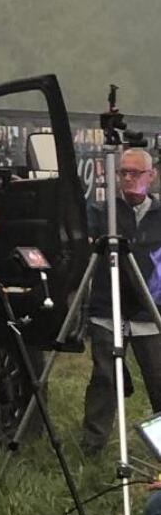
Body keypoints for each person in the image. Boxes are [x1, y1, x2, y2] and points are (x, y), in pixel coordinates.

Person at [79, 147, 161, 454]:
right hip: (107, 310)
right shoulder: (102, 213)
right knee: (104, 379)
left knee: (158, 381)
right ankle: (92, 445)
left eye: (134, 173)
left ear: (150, 176)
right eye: (122, 172)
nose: (127, 178)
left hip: (150, 313)